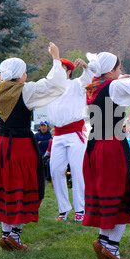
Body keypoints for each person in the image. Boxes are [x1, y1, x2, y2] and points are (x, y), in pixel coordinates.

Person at [0, 42, 68, 251]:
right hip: (19, 147)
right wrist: (55, 58)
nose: (27, 76)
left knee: (4, 189)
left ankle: (5, 234)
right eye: (25, 73)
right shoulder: (25, 91)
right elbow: (54, 84)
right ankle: (15, 235)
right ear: (19, 75)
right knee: (26, 188)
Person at [82, 51, 130, 259]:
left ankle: (104, 240)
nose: (121, 71)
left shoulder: (94, 86)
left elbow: (114, 89)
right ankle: (111, 246)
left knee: (107, 191)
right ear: (111, 70)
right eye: (119, 68)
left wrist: (119, 80)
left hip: (96, 144)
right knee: (125, 191)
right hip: (111, 144)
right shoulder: (112, 87)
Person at [47, 57, 92, 222]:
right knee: (56, 170)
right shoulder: (51, 88)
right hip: (58, 134)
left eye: (62, 69)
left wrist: (86, 67)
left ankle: (81, 208)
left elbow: (88, 79)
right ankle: (63, 209)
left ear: (69, 72)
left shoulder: (75, 84)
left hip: (75, 133)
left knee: (77, 170)